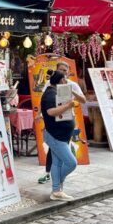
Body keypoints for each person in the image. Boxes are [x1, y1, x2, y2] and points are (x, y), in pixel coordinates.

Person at [38, 62, 86, 184]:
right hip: (53, 120)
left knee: (61, 149)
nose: (64, 72)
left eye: (65, 70)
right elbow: (43, 100)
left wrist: (72, 91)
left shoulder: (73, 84)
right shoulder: (51, 85)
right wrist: (39, 114)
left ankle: (57, 182)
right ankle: (51, 175)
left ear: (69, 72)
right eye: (61, 70)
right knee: (55, 148)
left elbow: (83, 100)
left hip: (67, 120)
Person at [41, 71, 78, 201]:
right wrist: (68, 105)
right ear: (62, 80)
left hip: (60, 135)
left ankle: (56, 191)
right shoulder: (50, 95)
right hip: (55, 135)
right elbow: (51, 112)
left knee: (56, 163)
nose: (67, 81)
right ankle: (58, 183)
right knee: (71, 162)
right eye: (65, 78)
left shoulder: (54, 92)